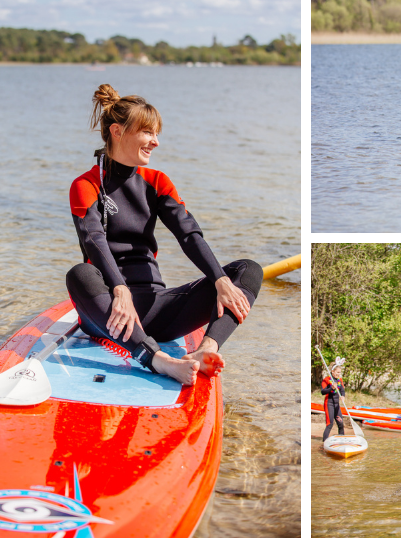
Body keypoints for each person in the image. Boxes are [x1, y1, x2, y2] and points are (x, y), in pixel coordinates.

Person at [66, 84, 263, 386]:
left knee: (248, 271)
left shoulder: (157, 182)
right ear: (117, 132)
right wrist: (120, 289)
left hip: (157, 308)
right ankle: (157, 360)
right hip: (110, 313)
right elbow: (94, 239)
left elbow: (188, 234)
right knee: (79, 273)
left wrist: (221, 281)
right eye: (147, 132)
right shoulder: (87, 184)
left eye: (157, 133)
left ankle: (206, 350)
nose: (155, 142)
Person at [321, 358, 346, 442]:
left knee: (341, 423)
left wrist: (343, 396)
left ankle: (341, 441)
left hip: (336, 404)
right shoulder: (326, 380)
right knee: (330, 424)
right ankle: (325, 442)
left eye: (340, 372)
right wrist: (331, 388)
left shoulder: (340, 380)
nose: (339, 374)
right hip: (329, 404)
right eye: (337, 372)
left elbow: (342, 390)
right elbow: (322, 391)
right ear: (332, 371)